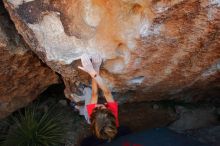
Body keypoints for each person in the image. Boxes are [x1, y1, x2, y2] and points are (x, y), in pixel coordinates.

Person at [75, 54, 119, 141]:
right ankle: (80, 109)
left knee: (88, 92)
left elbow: (94, 94)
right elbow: (106, 92)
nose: (98, 105)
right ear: (110, 112)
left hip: (89, 116)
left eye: (96, 109)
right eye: (101, 107)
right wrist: (95, 69)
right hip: (97, 117)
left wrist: (91, 71)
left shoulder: (91, 113)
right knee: (89, 94)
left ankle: (79, 109)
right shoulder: (113, 115)